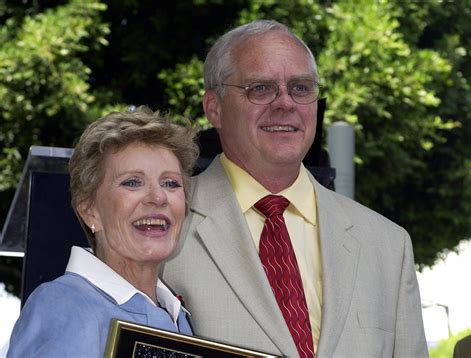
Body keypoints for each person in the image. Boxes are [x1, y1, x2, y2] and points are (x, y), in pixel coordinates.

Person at [161, 19, 428, 357]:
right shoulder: (160, 221)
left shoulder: (388, 245)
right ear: (214, 107)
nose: (285, 103)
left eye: (300, 88)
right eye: (260, 88)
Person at [7, 106, 199, 357]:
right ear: (89, 211)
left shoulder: (177, 315)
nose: (158, 197)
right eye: (132, 182)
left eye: (171, 183)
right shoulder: (65, 305)